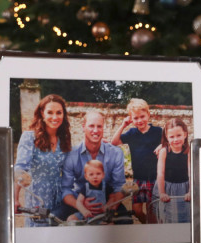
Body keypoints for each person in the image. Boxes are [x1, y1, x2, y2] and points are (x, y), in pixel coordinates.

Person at [56, 110, 126, 221]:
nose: (95, 130)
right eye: (91, 126)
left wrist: (109, 206)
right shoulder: (71, 154)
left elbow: (119, 186)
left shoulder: (116, 153)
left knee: (126, 222)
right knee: (55, 219)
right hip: (78, 200)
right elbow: (66, 189)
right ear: (83, 127)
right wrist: (80, 206)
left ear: (103, 128)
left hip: (107, 201)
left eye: (99, 126)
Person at [14, 94, 71, 226]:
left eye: (59, 112)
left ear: (63, 114)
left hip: (59, 201)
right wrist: (15, 198)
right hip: (38, 199)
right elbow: (20, 169)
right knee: (39, 241)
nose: (55, 117)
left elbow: (70, 167)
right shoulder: (29, 137)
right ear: (42, 113)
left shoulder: (64, 139)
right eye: (50, 112)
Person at [111, 98, 162, 224]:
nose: (139, 120)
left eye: (142, 116)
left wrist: (163, 145)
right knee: (136, 210)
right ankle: (147, 226)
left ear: (148, 114)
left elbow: (168, 143)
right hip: (138, 179)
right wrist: (124, 125)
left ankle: (152, 233)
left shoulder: (157, 131)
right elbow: (114, 142)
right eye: (135, 118)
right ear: (131, 119)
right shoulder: (132, 133)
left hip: (153, 178)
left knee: (152, 210)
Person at [154, 118, 191, 223]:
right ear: (167, 137)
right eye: (172, 137)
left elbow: (191, 173)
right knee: (166, 218)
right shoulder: (163, 152)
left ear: (185, 134)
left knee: (185, 218)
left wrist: (190, 191)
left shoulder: (189, 152)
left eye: (179, 135)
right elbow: (160, 174)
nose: (175, 139)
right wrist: (162, 193)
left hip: (184, 189)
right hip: (166, 187)